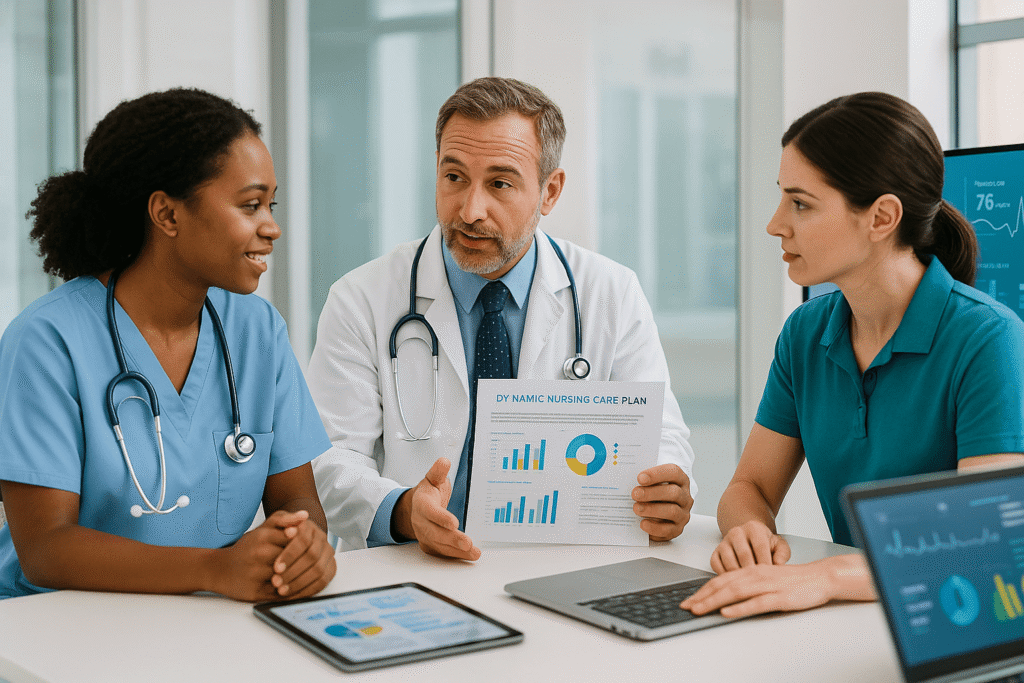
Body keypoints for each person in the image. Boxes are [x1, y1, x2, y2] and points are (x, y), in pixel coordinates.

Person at [308, 77, 695, 558]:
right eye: (454, 178)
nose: (471, 211)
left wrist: (665, 492)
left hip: (559, 566)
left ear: (550, 191)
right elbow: (329, 460)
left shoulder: (610, 293)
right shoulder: (361, 299)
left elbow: (659, 438)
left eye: (500, 184)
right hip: (410, 565)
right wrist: (404, 511)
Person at [681, 92, 1024, 619]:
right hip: (856, 614)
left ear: (882, 217)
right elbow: (750, 486)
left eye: (800, 203)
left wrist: (824, 577)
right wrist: (749, 530)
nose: (776, 224)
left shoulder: (988, 339)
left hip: (953, 618)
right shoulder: (805, 332)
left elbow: (985, 536)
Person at [0, 88, 337, 601]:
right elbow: (46, 549)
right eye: (250, 205)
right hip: (59, 626)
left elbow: (296, 498)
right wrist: (214, 570)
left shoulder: (257, 330)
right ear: (167, 215)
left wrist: (304, 545)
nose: (272, 227)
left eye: (270, 204)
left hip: (205, 619)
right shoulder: (48, 341)